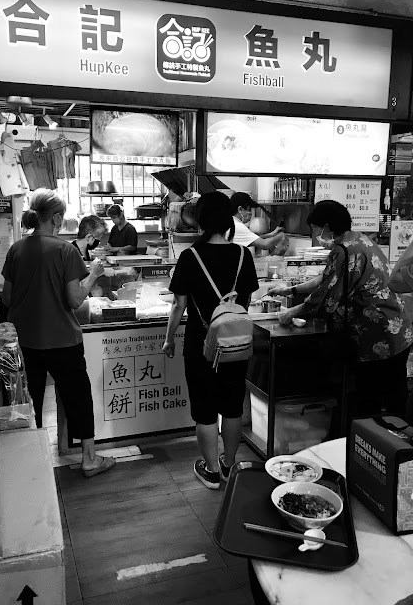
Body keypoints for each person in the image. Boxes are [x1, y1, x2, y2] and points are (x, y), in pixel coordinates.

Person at [1, 188, 115, 478]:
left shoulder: (16, 248)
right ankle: (89, 459)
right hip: (62, 339)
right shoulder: (65, 250)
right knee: (77, 396)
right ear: (56, 218)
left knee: (29, 399)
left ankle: (31, 460)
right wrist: (94, 273)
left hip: (24, 339)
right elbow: (76, 300)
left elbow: (7, 299)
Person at [268, 200, 413, 424]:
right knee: (393, 395)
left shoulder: (344, 249)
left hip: (378, 335)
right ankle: (393, 444)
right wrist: (291, 289)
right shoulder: (358, 239)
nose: (316, 235)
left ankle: (375, 446)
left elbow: (327, 298)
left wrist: (292, 312)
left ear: (326, 226)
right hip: (397, 329)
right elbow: (328, 278)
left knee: (372, 401)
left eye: (316, 229)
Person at [162, 191, 258, 490]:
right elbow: (245, 300)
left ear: (201, 221)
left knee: (204, 408)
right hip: (236, 343)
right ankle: (230, 465)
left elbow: (178, 305)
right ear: (228, 219)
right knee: (232, 406)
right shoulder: (244, 255)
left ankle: (212, 470)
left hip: (200, 343)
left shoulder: (190, 257)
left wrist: (168, 339)